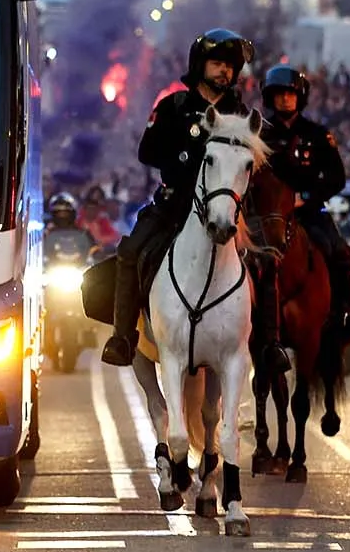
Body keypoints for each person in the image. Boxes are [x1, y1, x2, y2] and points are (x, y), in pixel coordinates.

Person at [100, 28, 254, 367]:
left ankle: (265, 341)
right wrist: (185, 155)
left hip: (227, 208)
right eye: (217, 63)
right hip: (176, 205)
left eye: (230, 66)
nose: (224, 71)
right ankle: (123, 336)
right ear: (200, 65)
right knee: (130, 251)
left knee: (266, 260)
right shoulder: (173, 106)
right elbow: (147, 151)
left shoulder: (242, 116)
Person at [258, 64, 350, 371]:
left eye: (290, 95)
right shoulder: (261, 134)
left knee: (340, 252)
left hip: (309, 211)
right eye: (279, 95)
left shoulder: (318, 135)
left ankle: (347, 313)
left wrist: (308, 197)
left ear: (300, 98)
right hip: (269, 215)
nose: (285, 101)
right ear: (270, 98)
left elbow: (337, 178)